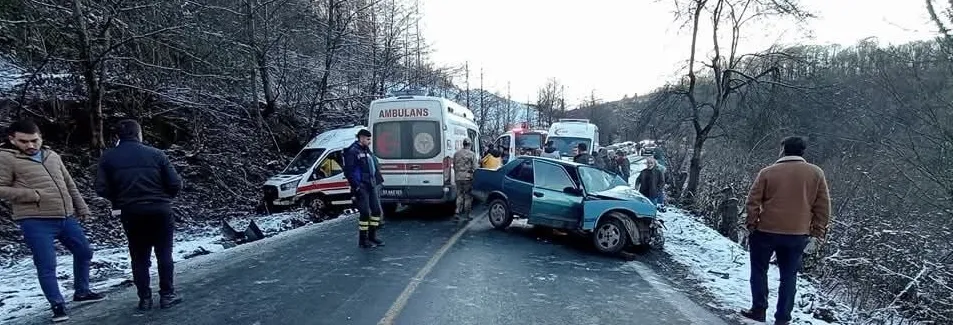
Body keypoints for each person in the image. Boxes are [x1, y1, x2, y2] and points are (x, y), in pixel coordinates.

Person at [0, 119, 104, 322]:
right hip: (35, 220)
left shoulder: (52, 155)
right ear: (12, 139)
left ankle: (82, 292)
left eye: (34, 140)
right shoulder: (5, 158)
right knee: (47, 263)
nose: (30, 145)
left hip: (65, 217)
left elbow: (69, 183)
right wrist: (32, 194)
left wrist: (81, 207)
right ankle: (57, 305)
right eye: (23, 141)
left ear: (41, 138)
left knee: (84, 251)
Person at [741, 136, 831, 325]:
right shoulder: (816, 173)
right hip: (797, 234)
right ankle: (782, 318)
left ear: (783, 149)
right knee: (789, 277)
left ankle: (759, 308)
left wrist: (752, 224)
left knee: (759, 270)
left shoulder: (768, 172)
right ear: (802, 151)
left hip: (766, 230)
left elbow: (753, 201)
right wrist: (817, 232)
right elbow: (822, 206)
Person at [95, 120, 183, 311]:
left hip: (131, 212)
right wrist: (163, 198)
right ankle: (167, 295)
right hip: (160, 209)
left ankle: (145, 299)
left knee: (139, 257)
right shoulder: (157, 154)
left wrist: (118, 200)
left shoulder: (108, 158)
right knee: (164, 254)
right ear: (139, 134)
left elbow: (101, 188)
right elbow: (175, 184)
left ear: (118, 136)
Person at [343, 129, 385, 248]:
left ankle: (372, 236)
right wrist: (356, 186)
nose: (369, 141)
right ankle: (363, 240)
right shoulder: (353, 151)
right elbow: (349, 171)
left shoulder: (366, 150)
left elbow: (373, 166)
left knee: (376, 211)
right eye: (367, 139)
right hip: (362, 186)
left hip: (371, 184)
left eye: (370, 139)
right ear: (361, 138)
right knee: (365, 213)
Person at [452, 138, 477, 222]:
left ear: (463, 144)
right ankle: (467, 214)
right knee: (467, 196)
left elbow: (454, 165)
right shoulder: (472, 154)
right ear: (470, 145)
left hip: (458, 177)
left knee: (459, 195)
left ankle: (457, 212)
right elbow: (475, 167)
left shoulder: (456, 154)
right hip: (467, 178)